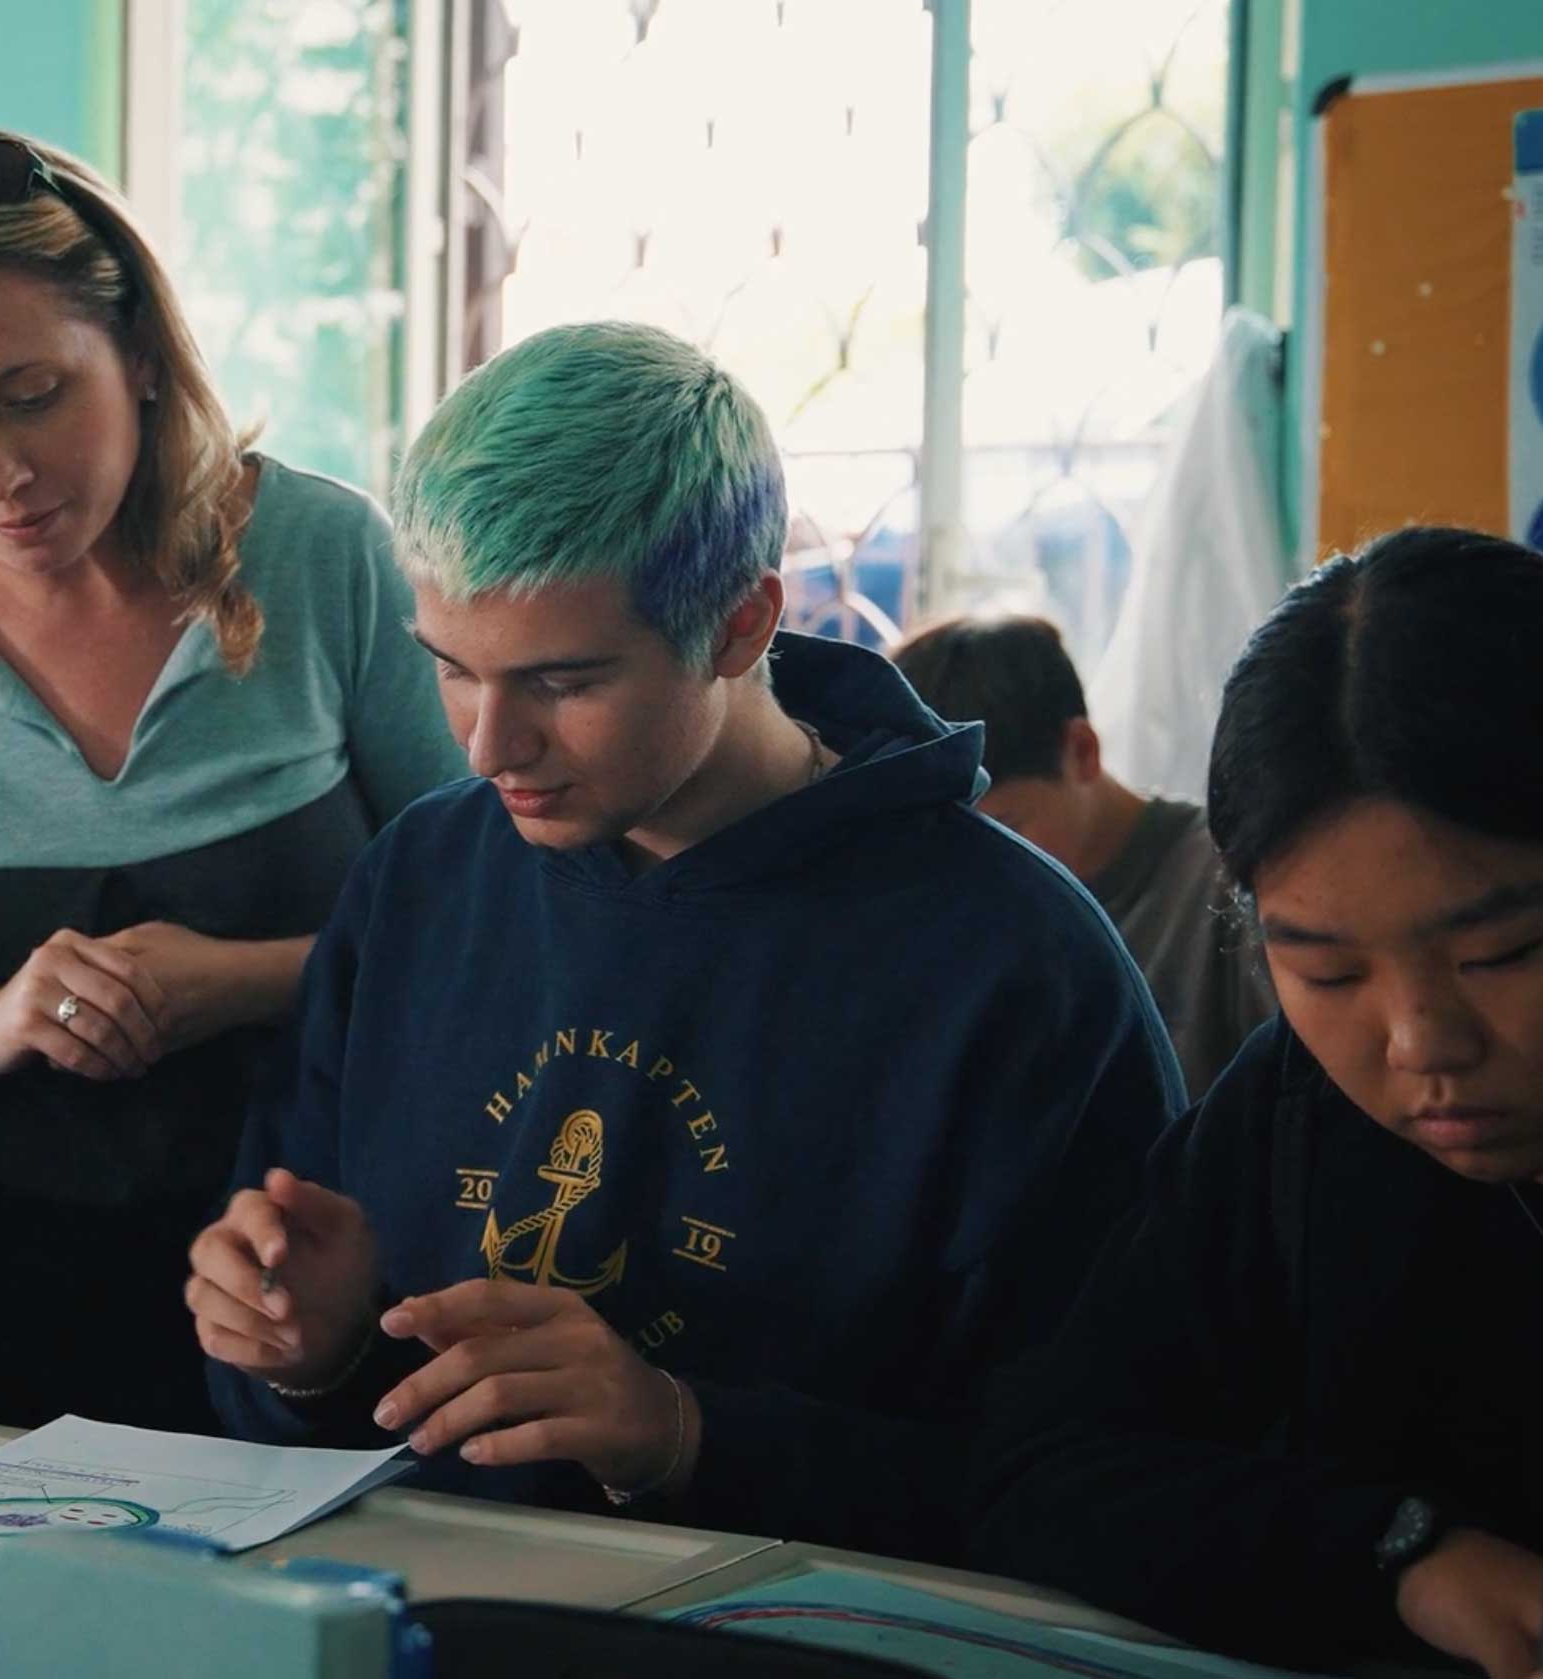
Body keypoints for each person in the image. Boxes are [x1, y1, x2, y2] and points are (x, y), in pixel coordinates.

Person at [186, 321, 1180, 1561]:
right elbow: (298, 1405)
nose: (490, 746)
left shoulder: (1014, 965)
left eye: (563, 682)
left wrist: (687, 1435)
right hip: (417, 1610)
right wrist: (305, 1351)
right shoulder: (422, 878)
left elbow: (1112, 1486)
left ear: (739, 625)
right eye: (453, 668)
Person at [0, 128, 467, 1431]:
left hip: (317, 1266)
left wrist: (235, 979)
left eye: (33, 394)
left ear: (138, 351)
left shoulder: (324, 553)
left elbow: (478, 921)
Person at [972, 527, 1543, 1677]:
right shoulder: (1295, 1114)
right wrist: (1402, 1553)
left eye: (1501, 953)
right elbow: (1048, 1462)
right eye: (1326, 971)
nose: (1419, 1042)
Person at [892, 613, 1274, 1098]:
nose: (971, 875)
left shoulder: (1225, 883)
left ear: (1082, 751)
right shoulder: (946, 910)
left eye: (1005, 830)